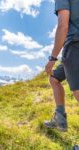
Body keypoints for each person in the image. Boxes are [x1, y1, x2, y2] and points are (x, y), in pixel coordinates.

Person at [44, 0, 79, 132]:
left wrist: (52, 58)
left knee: (78, 92)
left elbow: (63, 25)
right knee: (54, 78)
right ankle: (60, 120)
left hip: (75, 45)